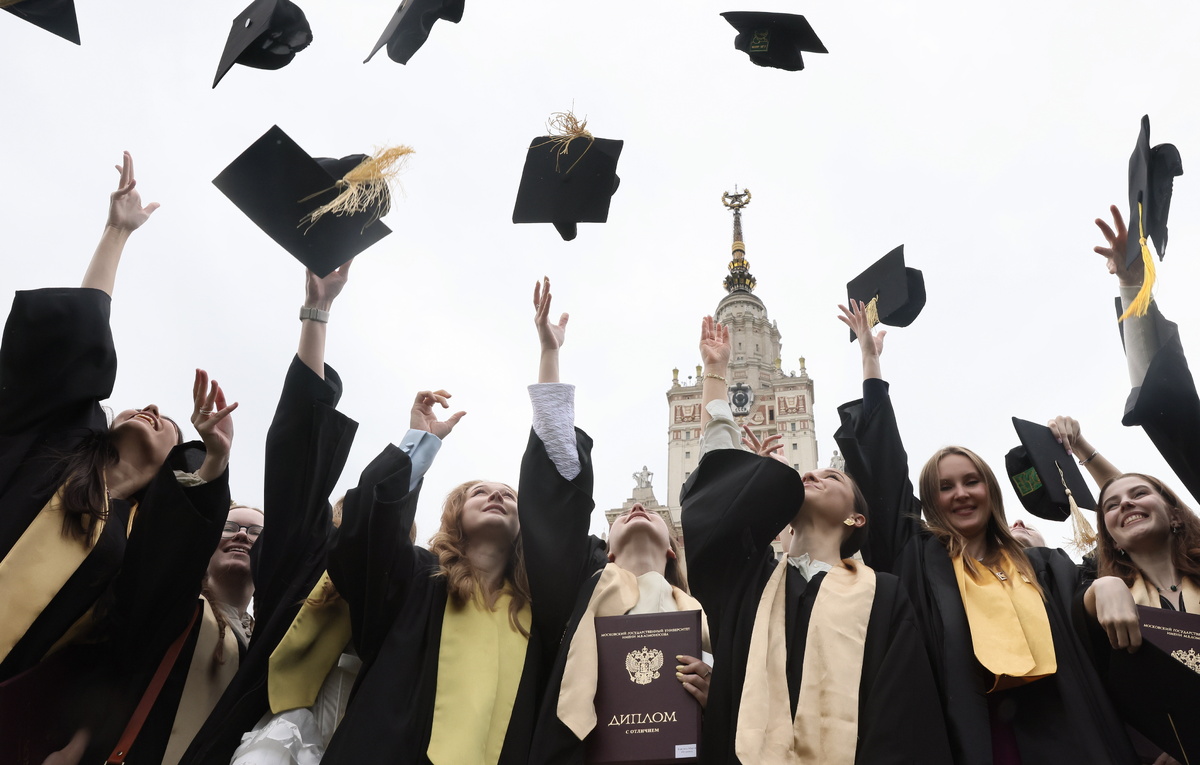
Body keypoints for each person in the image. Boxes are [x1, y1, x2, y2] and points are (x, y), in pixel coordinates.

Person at [833, 300, 1137, 764]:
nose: (960, 494)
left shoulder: (1041, 564)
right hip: (973, 738)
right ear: (931, 501)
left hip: (1067, 732)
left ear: (990, 489)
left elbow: (1111, 563)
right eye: (945, 486)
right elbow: (883, 475)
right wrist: (871, 365)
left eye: (971, 481)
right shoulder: (919, 559)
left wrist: (1107, 584)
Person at [0, 153, 233, 683]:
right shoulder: (57, 442)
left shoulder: (139, 537)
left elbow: (169, 571)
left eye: (167, 420)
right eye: (139, 405)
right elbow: (74, 349)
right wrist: (116, 232)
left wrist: (215, 455)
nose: (151, 409)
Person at [681, 315, 951, 765]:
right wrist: (714, 375)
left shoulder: (882, 594)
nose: (810, 473)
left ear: (857, 518)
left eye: (830, 475)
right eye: (807, 473)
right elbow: (717, 489)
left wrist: (869, 363)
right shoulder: (750, 581)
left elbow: (902, 714)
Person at [175, 261, 365, 765]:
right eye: (232, 526)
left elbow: (297, 495)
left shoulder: (277, 636)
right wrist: (315, 314)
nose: (241, 538)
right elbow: (295, 472)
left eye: (257, 533)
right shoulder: (171, 606)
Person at [520, 279, 711, 764]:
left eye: (649, 513)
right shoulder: (582, 586)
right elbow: (557, 495)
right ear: (606, 546)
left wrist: (716, 694)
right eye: (624, 513)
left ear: (675, 546)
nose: (638, 509)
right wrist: (549, 356)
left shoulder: (705, 618)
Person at [319, 394, 540, 765]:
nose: (497, 496)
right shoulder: (416, 579)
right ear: (455, 515)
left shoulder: (534, 611)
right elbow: (366, 536)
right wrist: (416, 445)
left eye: (508, 496)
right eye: (480, 493)